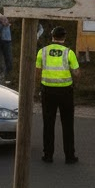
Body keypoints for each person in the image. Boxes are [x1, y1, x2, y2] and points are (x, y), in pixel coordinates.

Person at [36, 26, 80, 164]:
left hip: (47, 91)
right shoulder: (69, 53)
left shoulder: (42, 52)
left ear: (52, 37)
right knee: (67, 125)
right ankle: (69, 156)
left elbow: (37, 71)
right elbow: (77, 73)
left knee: (48, 124)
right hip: (65, 92)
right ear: (64, 37)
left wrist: (39, 85)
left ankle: (48, 155)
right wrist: (74, 82)